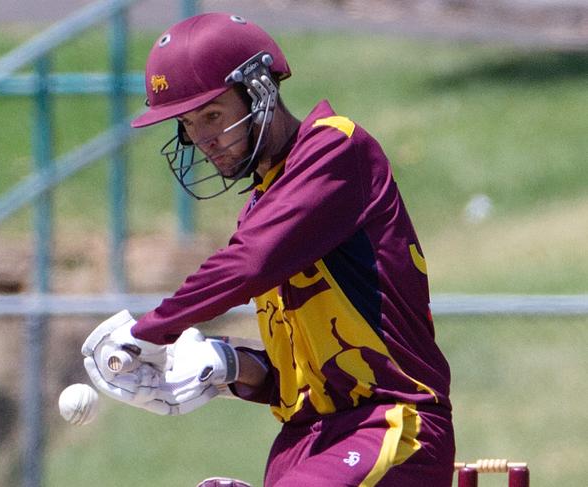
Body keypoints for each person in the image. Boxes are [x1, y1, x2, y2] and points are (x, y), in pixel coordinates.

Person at [82, 12, 455, 487]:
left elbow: (248, 266)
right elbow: (308, 374)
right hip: (306, 442)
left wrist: (150, 331)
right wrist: (231, 366)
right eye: (189, 124)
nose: (202, 140)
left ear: (260, 90)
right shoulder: (265, 202)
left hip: (393, 426)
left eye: (213, 115)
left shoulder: (335, 149)